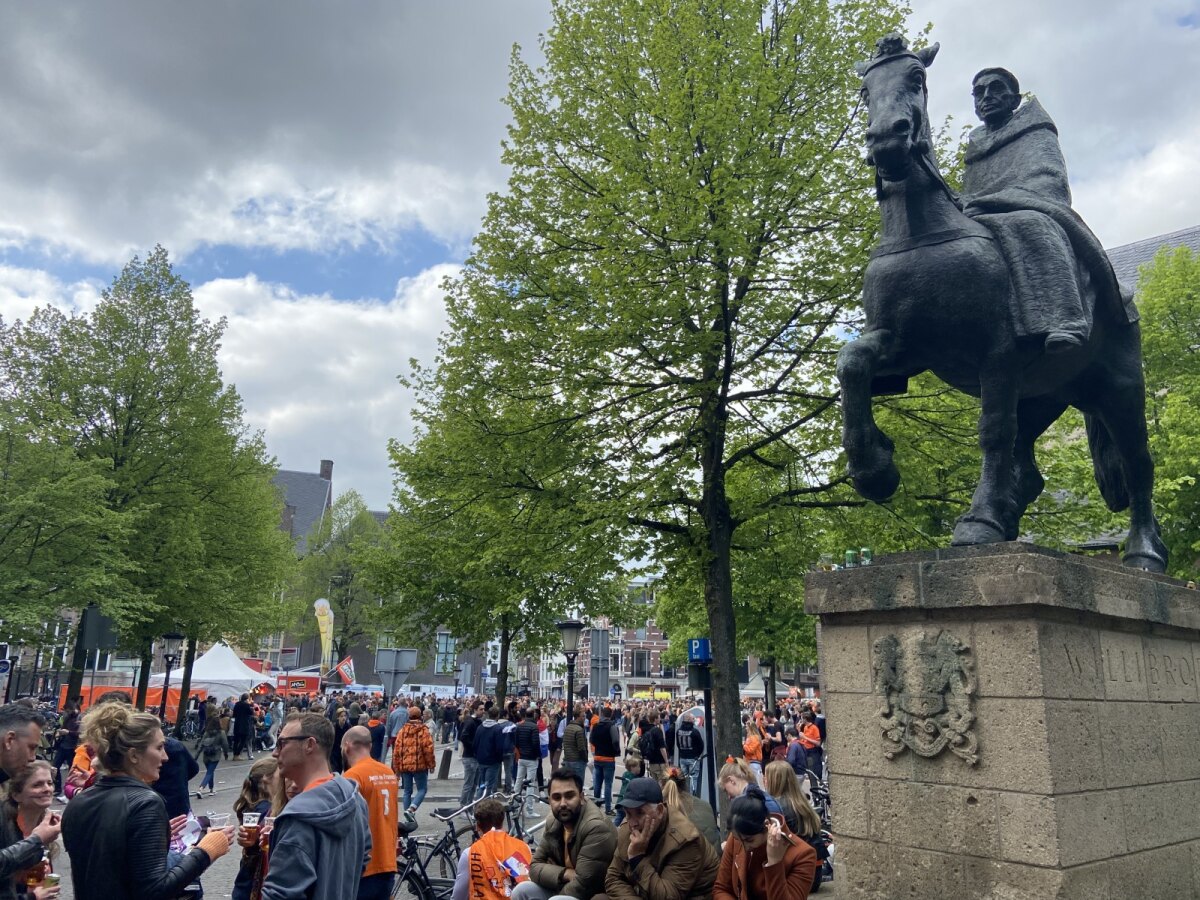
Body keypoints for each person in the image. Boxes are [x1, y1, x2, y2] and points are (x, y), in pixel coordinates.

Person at [962, 67, 1135, 355]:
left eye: (995, 89)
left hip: (1024, 207)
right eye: (979, 92)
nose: (987, 97)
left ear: (1015, 100)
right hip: (979, 213)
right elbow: (970, 191)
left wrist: (1000, 199)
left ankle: (1066, 320)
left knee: (1033, 224)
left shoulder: (1036, 133)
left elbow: (1047, 178)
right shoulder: (976, 147)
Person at [61, 702, 232, 900]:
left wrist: (154, 838)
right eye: (159, 748)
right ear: (134, 755)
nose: (165, 757)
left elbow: (108, 866)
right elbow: (154, 890)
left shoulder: (80, 801)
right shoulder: (145, 803)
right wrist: (206, 850)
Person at [261, 713, 371, 900]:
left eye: (282, 743)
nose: (275, 752)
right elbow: (362, 860)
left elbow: (280, 895)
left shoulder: (297, 818)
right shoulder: (355, 799)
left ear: (309, 745)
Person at [604, 777, 719, 900]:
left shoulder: (686, 840)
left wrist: (637, 858)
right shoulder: (629, 828)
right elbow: (613, 879)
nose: (632, 823)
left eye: (640, 813)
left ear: (659, 811)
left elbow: (668, 896)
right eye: (628, 814)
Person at [514, 767, 615, 900]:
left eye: (569, 796)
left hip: (594, 894)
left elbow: (583, 885)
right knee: (522, 890)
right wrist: (564, 873)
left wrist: (553, 873)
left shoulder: (595, 827)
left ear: (581, 797)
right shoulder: (554, 820)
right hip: (565, 886)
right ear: (550, 801)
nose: (562, 803)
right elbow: (534, 867)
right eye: (556, 797)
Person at [713, 787, 816, 900]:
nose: (745, 847)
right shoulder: (738, 837)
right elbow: (721, 888)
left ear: (766, 825)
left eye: (749, 840)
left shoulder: (803, 854)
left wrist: (774, 862)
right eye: (739, 840)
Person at [342, 725, 400, 900]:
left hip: (364, 865)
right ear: (370, 746)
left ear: (347, 746)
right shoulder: (388, 772)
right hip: (388, 860)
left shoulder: (353, 776)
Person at [763, 762, 828, 896]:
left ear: (773, 781)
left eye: (766, 777)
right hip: (815, 874)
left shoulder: (777, 808)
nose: (763, 780)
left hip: (795, 877)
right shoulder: (802, 803)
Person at [2, 761, 62, 900]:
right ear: (17, 795)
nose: (47, 789)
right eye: (37, 785)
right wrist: (32, 897)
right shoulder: (6, 828)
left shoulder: (47, 826)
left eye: (50, 783)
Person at [451, 797, 531, 900]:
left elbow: (458, 896)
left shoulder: (470, 853)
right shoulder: (524, 847)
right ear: (502, 822)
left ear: (477, 826)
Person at [232, 758, 278, 900]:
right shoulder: (266, 810)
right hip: (254, 879)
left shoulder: (250, 806)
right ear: (267, 780)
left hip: (245, 879)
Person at [659, 766, 719, 849]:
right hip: (712, 858)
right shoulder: (705, 805)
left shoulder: (658, 812)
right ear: (685, 783)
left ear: (661, 785)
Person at [391, 705, 435, 817]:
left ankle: (407, 816)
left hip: (405, 765)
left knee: (407, 791)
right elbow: (428, 749)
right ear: (420, 716)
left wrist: (397, 769)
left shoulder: (402, 731)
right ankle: (411, 809)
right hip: (419, 765)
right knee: (422, 789)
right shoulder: (423, 730)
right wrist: (431, 765)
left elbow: (396, 751)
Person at [152, 733, 200, 820]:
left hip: (162, 810)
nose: (165, 757)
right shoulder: (176, 745)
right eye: (159, 748)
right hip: (181, 806)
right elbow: (194, 769)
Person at [589, 705, 620, 816]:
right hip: (608, 758)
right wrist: (615, 750)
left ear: (602, 715)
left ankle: (595, 807)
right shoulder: (612, 726)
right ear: (611, 715)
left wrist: (598, 746)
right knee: (608, 784)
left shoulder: (596, 725)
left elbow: (591, 739)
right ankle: (608, 808)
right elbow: (616, 741)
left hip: (598, 757)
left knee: (598, 783)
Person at [512, 709, 541, 816]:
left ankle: (514, 805)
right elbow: (535, 743)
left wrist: (521, 751)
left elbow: (516, 742)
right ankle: (529, 809)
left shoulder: (519, 726)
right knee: (530, 784)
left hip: (522, 756)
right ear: (533, 715)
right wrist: (537, 755)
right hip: (531, 758)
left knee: (518, 781)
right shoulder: (534, 727)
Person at [474, 707, 507, 800]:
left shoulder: (480, 727)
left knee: (482, 784)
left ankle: (478, 803)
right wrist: (499, 759)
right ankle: (481, 806)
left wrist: (477, 755)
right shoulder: (497, 728)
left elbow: (475, 743)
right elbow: (499, 746)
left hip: (481, 759)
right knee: (488, 786)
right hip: (492, 761)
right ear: (497, 716)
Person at [50, 700, 80, 798]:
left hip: (72, 747)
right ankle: (58, 788)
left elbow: (80, 734)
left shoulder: (80, 718)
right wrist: (60, 732)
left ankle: (72, 790)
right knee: (55, 766)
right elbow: (64, 726)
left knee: (73, 769)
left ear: (72, 709)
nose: (66, 712)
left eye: (67, 710)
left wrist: (68, 732)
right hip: (63, 745)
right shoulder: (67, 718)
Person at [458, 701, 484, 806]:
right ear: (475, 710)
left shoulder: (477, 721)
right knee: (469, 784)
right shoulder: (470, 722)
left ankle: (468, 806)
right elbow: (463, 737)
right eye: (481, 709)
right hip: (470, 756)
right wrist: (474, 746)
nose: (483, 711)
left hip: (475, 756)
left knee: (473, 784)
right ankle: (463, 805)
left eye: (483, 709)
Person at [673, 713, 705, 797]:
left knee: (683, 777)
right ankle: (692, 796)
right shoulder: (694, 732)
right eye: (693, 719)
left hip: (682, 758)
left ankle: (684, 795)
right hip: (693, 759)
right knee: (693, 778)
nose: (694, 720)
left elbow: (678, 745)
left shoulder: (678, 731)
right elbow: (701, 745)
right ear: (690, 720)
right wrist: (698, 756)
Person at [613, 753, 644, 828]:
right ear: (632, 768)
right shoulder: (635, 780)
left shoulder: (625, 775)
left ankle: (612, 829)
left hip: (620, 801)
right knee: (629, 817)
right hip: (627, 803)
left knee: (618, 818)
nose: (640, 768)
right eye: (638, 767)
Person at [560, 707, 588, 786]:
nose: (584, 718)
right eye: (582, 716)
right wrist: (585, 759)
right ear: (577, 717)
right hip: (577, 761)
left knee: (569, 785)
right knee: (578, 785)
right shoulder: (579, 730)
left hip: (568, 759)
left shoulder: (568, 727)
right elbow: (581, 748)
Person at [197, 715, 223, 796]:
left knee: (210, 771)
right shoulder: (221, 732)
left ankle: (211, 789)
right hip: (215, 755)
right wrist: (226, 753)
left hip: (206, 755)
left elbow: (201, 745)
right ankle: (201, 788)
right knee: (209, 772)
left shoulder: (206, 732)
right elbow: (225, 744)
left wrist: (196, 756)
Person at [639, 711, 669, 781]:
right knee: (662, 782)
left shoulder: (646, 729)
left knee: (655, 782)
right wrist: (666, 761)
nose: (660, 719)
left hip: (651, 761)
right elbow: (662, 747)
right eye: (658, 718)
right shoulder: (657, 731)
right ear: (655, 719)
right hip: (660, 761)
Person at [232, 694, 255, 760]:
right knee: (243, 740)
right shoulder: (246, 705)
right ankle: (237, 754)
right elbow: (251, 713)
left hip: (237, 724)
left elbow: (234, 714)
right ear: (247, 698)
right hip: (244, 725)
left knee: (236, 740)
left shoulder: (237, 704)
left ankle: (234, 755)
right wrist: (252, 708)